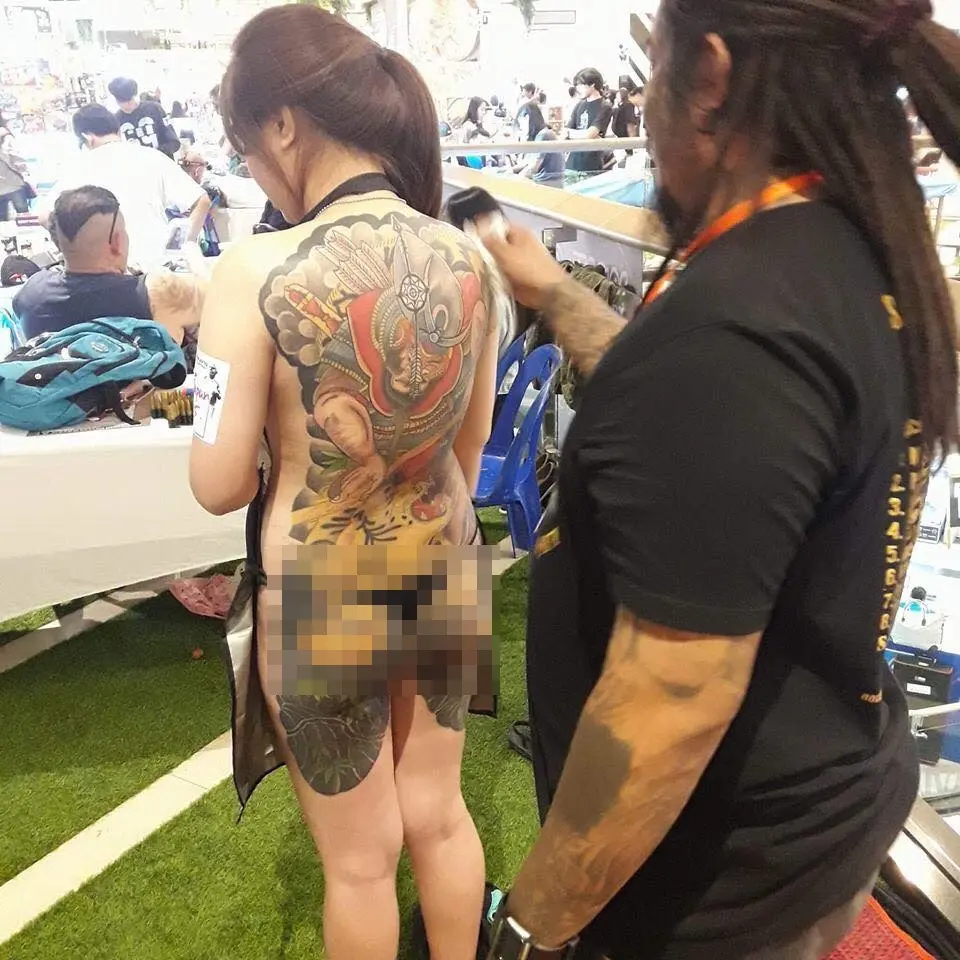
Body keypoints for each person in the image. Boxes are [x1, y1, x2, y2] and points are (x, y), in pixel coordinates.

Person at [475, 0, 958, 958]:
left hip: (715, 887)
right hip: (809, 818)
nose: (645, 116)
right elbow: (713, 443)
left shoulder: (740, 324)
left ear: (708, 78)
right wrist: (559, 296)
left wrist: (531, 929)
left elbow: (672, 699)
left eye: (654, 72)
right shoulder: (842, 253)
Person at [189, 6, 502, 960]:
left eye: (246, 145)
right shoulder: (472, 260)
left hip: (324, 589)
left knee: (362, 864)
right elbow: (470, 451)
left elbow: (216, 483)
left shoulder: (252, 268)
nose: (251, 165)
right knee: (439, 815)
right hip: (443, 565)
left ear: (284, 123)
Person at [13, 186, 204, 344]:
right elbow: (215, 295)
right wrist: (192, 250)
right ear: (117, 242)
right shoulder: (157, 291)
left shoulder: (31, 294)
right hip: (144, 381)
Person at [39, 105, 211, 273]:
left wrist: (78, 252)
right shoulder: (151, 157)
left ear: (87, 137)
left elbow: (45, 217)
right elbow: (202, 201)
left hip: (106, 273)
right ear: (119, 130)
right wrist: (180, 247)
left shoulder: (77, 169)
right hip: (156, 267)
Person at [108, 77, 180, 159]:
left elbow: (173, 141)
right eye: (121, 102)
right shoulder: (116, 119)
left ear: (134, 96)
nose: (126, 106)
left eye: (129, 102)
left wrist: (155, 155)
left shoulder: (155, 109)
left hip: (162, 162)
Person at [564, 68, 614, 179]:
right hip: (571, 164)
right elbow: (565, 132)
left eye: (581, 85)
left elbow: (590, 134)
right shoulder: (579, 105)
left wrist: (572, 134)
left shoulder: (605, 106)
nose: (578, 88)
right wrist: (573, 134)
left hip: (591, 165)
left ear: (592, 84)